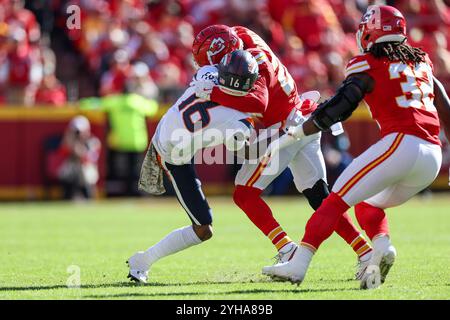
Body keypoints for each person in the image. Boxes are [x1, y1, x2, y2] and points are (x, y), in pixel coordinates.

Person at [262, 5, 450, 289]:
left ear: (370, 32)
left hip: (401, 143)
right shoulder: (421, 61)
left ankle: (297, 265)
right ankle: (381, 247)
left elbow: (340, 107)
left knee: (334, 201)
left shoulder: (367, 63)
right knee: (366, 202)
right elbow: (444, 104)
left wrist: (296, 133)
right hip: (431, 156)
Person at [191, 24, 373, 277]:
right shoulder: (242, 36)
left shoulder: (252, 62)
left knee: (244, 194)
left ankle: (286, 249)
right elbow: (237, 32)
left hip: (286, 131)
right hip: (304, 118)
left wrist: (213, 91)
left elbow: (258, 101)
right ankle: (365, 252)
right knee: (320, 198)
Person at [126, 50, 257, 283]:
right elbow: (244, 151)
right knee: (203, 228)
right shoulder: (238, 119)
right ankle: (142, 261)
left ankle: (142, 261)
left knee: (204, 227)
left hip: (168, 134)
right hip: (173, 156)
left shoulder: (207, 74)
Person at [57, 115, 101, 199]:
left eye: (80, 131)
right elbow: (61, 153)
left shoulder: (94, 142)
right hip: (73, 170)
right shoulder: (69, 141)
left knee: (86, 172)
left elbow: (87, 158)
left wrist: (76, 147)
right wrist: (69, 140)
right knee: (66, 170)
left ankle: (89, 197)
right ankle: (67, 196)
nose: (78, 134)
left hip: (87, 170)